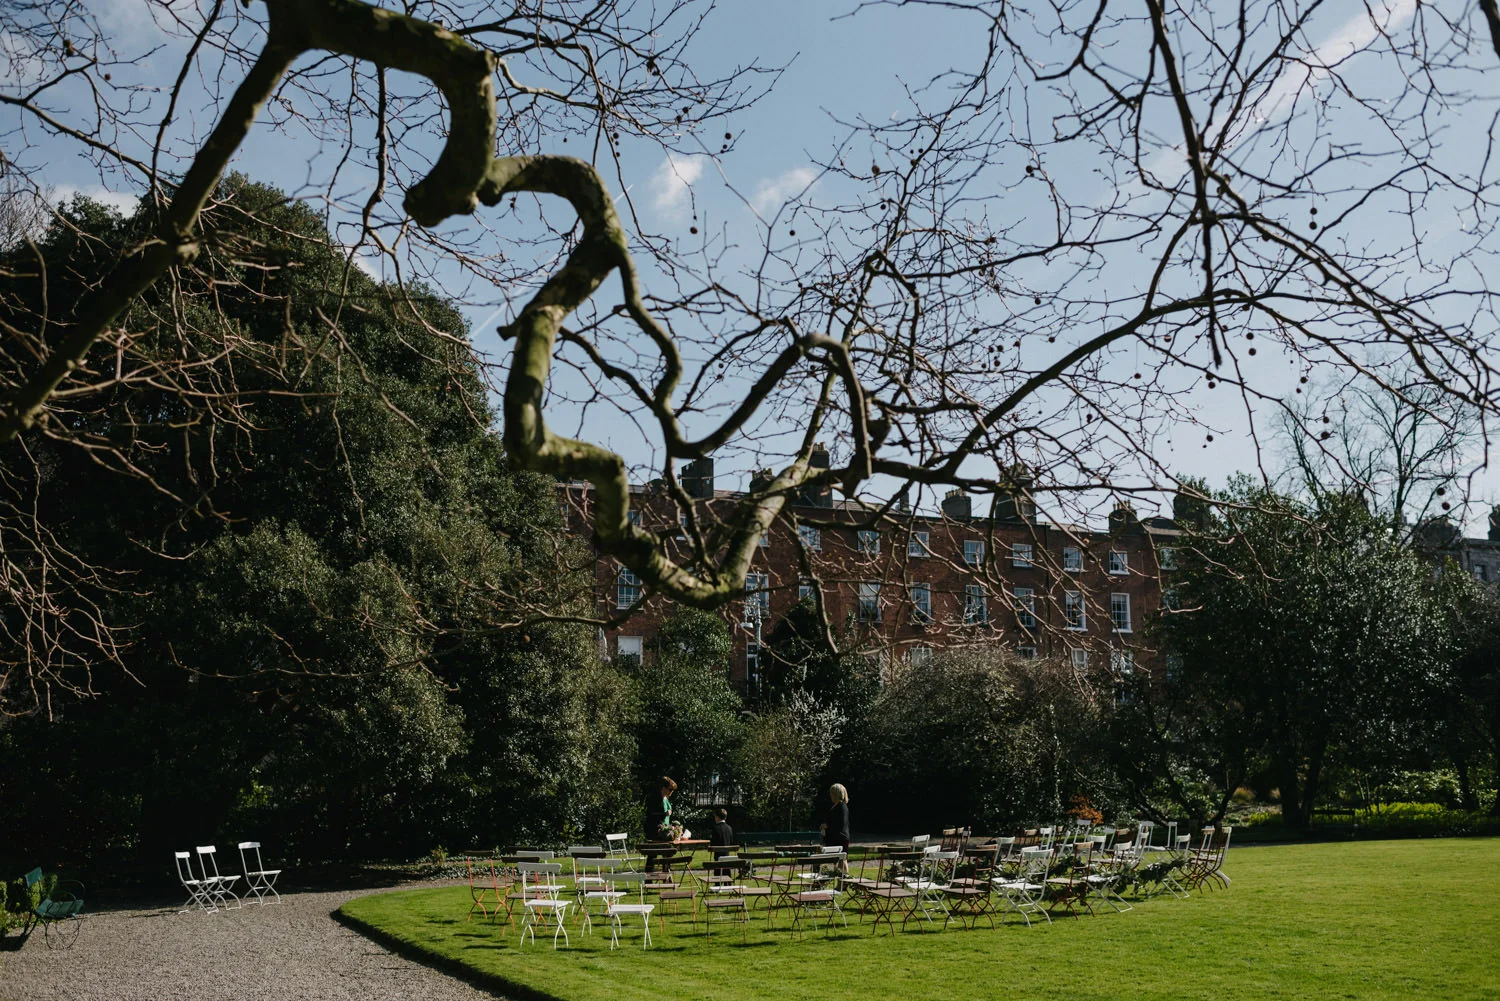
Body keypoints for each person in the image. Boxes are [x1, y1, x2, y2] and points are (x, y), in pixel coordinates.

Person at [820, 783, 851, 873]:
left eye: (832, 793)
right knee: (837, 861)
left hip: (840, 837)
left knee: (842, 859)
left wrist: (827, 825)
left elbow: (840, 823)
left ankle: (844, 881)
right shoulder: (837, 806)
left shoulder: (841, 806)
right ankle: (839, 881)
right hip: (835, 837)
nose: (830, 795)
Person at [645, 775, 677, 840]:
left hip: (665, 828)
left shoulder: (666, 798)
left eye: (673, 790)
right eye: (670, 789)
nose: (672, 791)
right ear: (664, 787)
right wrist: (664, 814)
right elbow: (650, 813)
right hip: (656, 830)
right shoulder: (655, 798)